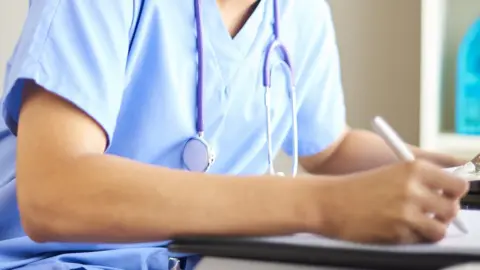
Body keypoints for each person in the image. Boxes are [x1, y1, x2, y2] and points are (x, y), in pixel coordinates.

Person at [0, 0, 470, 269]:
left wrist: (461, 173)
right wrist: (327, 206)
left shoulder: (296, 12)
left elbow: (331, 148)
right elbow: (54, 195)